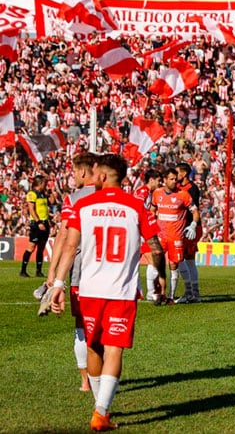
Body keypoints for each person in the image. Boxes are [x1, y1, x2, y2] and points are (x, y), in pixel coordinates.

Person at [50, 153, 166, 431]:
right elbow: (156, 247)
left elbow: (68, 246)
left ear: (101, 176)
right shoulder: (137, 206)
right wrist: (160, 275)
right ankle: (101, 412)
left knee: (94, 345)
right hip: (121, 290)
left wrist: (57, 284)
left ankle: (99, 408)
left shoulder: (84, 204)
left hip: (88, 288)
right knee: (114, 349)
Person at [36, 153, 98, 393]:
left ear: (83, 172)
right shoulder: (111, 196)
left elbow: (64, 235)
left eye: (73, 172)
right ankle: (103, 378)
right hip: (111, 273)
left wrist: (53, 272)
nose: (73, 177)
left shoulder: (73, 199)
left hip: (82, 271)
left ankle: (86, 381)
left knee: (82, 326)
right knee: (103, 330)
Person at [151, 168, 200, 304]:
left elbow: (195, 212)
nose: (174, 181)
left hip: (176, 237)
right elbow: (153, 210)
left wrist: (193, 225)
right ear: (165, 180)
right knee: (157, 264)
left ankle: (171, 296)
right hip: (160, 236)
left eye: (175, 179)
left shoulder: (183, 195)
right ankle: (157, 293)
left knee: (174, 265)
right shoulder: (157, 193)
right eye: (171, 179)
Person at [133, 169, 163, 301]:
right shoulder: (143, 191)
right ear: (151, 180)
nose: (160, 183)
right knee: (154, 260)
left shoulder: (148, 192)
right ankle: (150, 292)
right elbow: (137, 206)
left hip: (139, 231)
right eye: (158, 180)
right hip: (139, 231)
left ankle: (138, 292)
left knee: (133, 264)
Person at [176, 163, 203, 302]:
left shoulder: (191, 189)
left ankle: (192, 293)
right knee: (187, 259)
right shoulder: (180, 188)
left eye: (177, 172)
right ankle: (193, 293)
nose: (176, 176)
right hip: (184, 227)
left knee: (186, 259)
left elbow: (192, 209)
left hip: (190, 227)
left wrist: (192, 225)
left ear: (184, 173)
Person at [20, 175, 50, 278]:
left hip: (45, 222)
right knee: (31, 247)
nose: (45, 185)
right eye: (44, 183)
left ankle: (39, 271)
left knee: (41, 248)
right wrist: (38, 223)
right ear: (40, 183)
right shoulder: (32, 194)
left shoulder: (42, 194)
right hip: (37, 224)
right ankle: (23, 271)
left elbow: (51, 203)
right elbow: (31, 210)